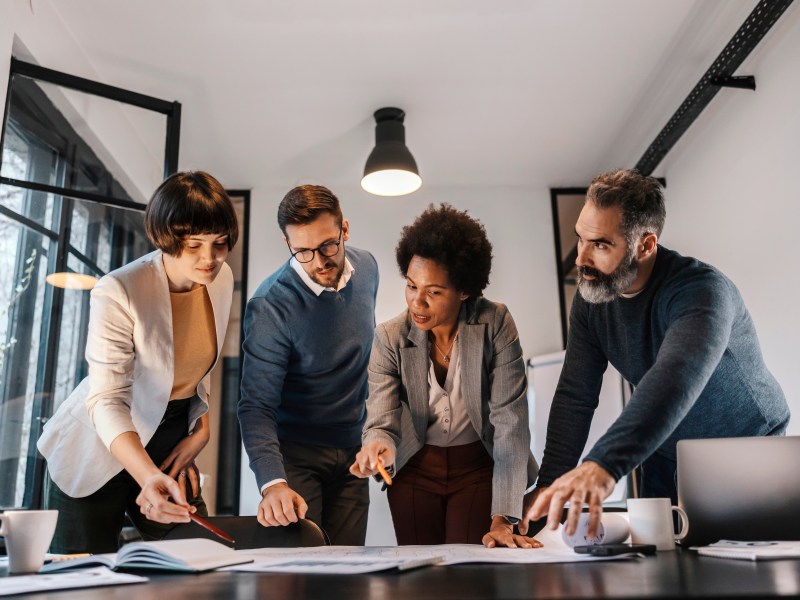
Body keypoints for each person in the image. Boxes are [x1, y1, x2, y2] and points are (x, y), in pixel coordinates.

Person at [522, 168, 790, 540]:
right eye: (579, 239)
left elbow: (676, 376)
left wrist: (603, 464)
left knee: (738, 566)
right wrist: (549, 488)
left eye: (600, 244)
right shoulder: (591, 301)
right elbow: (575, 397)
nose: (580, 259)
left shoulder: (702, 292)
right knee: (659, 558)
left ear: (645, 246)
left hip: (743, 447)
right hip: (664, 448)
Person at [38, 171, 238, 553]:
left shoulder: (221, 278)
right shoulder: (119, 290)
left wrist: (201, 428)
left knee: (200, 561)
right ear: (165, 238)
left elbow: (196, 366)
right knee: (86, 581)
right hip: (102, 443)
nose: (209, 258)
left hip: (168, 439)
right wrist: (146, 475)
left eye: (220, 243)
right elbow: (107, 399)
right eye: (194, 245)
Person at [350, 203, 540, 548]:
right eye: (411, 286)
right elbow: (382, 418)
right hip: (414, 470)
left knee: (470, 572)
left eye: (434, 292)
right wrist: (376, 445)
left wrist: (502, 520)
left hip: (478, 470)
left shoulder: (494, 323)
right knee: (420, 575)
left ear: (464, 290)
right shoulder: (390, 337)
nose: (416, 303)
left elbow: (510, 421)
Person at [238, 185, 378, 545]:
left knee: (350, 568)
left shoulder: (368, 269)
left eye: (328, 245)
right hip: (296, 456)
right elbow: (256, 406)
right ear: (288, 245)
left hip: (353, 450)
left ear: (344, 230)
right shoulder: (270, 306)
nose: (318, 261)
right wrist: (273, 483)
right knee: (302, 569)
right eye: (303, 251)